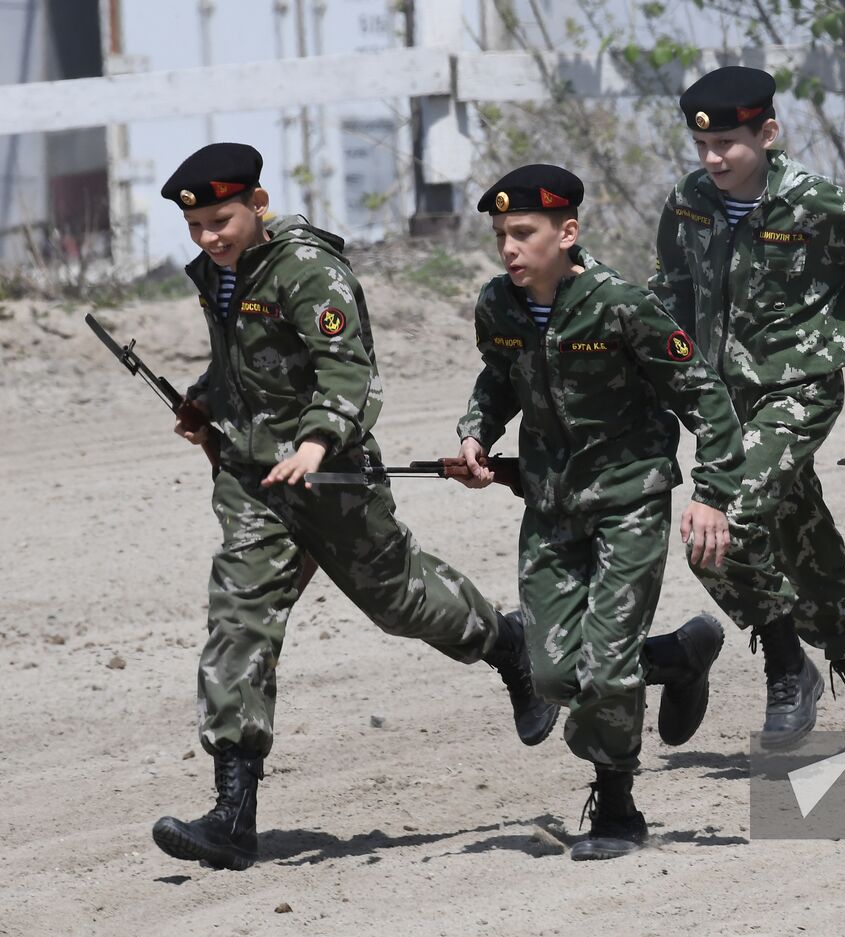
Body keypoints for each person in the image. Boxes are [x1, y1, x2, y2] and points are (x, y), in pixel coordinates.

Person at [148, 143, 558, 871]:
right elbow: (246, 361)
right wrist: (205, 402)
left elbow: (351, 375)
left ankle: (506, 642)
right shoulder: (218, 274)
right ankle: (232, 813)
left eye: (223, 219)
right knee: (239, 617)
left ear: (258, 204)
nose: (211, 236)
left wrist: (312, 443)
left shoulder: (310, 271)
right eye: (199, 226)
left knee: (398, 601)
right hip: (254, 479)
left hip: (331, 476)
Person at [454, 164, 745, 859]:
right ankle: (678, 656)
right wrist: (474, 435)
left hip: (629, 499)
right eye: (501, 235)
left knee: (607, 667)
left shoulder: (621, 305)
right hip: (550, 506)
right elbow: (499, 381)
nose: (510, 249)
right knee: (555, 675)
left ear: (568, 231)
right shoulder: (499, 306)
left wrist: (710, 494)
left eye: (523, 233)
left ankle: (617, 806)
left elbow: (706, 398)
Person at [650, 66, 845, 752]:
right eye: (704, 145)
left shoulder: (815, 203)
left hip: (799, 388)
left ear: (767, 133)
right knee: (804, 544)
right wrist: (661, 376)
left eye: (729, 142)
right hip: (726, 402)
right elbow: (669, 290)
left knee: (721, 528)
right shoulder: (691, 201)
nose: (715, 158)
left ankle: (788, 668)